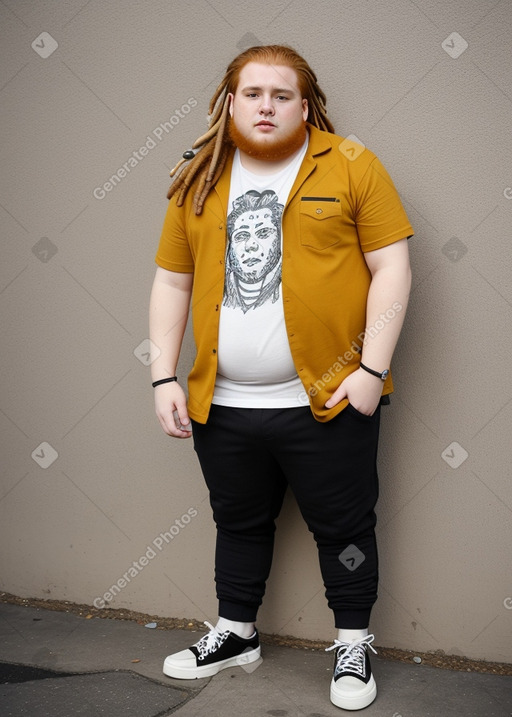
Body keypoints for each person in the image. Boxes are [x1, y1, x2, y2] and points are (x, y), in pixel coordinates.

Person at [149, 44, 413, 712]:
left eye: (282, 94)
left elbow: (393, 266)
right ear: (229, 101)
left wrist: (370, 369)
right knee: (237, 519)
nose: (266, 105)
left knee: (345, 526)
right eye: (252, 92)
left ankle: (353, 642)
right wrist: (163, 376)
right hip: (223, 400)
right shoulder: (200, 174)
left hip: (328, 398)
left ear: (306, 103)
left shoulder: (352, 163)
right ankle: (237, 633)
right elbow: (171, 280)